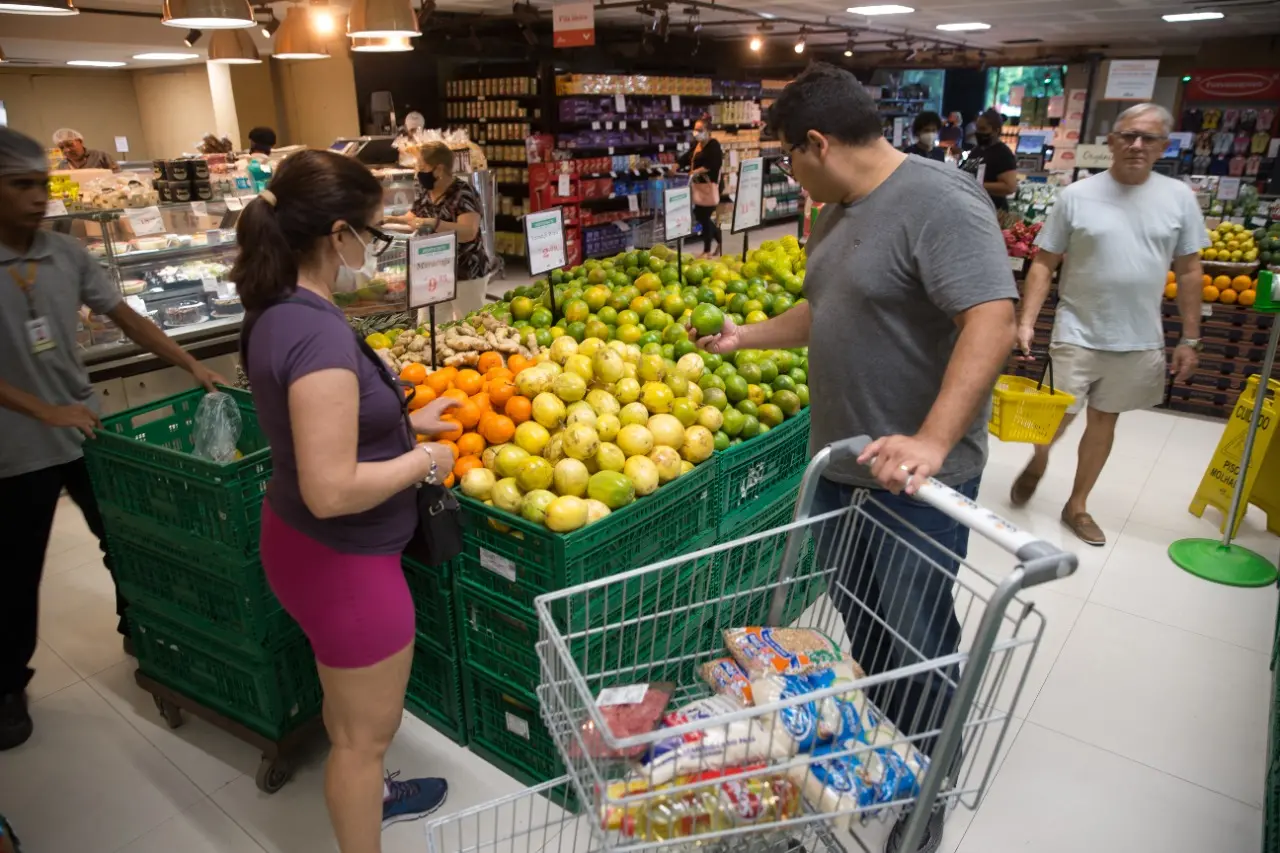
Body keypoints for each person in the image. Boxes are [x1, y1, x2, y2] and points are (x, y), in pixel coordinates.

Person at [694, 63, 1017, 853]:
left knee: (915, 636)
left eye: (787, 157)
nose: (788, 173)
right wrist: (747, 337)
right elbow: (826, 307)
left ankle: (931, 785)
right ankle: (887, 755)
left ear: (818, 143)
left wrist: (932, 440)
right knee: (866, 629)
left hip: (915, 482)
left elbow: (992, 319)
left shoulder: (942, 202)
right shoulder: (835, 212)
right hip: (840, 465)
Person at [234, 149, 458, 851]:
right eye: (373, 233)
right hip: (348, 563)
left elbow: (318, 426)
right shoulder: (317, 333)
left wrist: (402, 422)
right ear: (338, 234)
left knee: (344, 713)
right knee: (363, 742)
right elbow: (330, 489)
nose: (374, 248)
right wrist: (423, 460)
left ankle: (378, 794)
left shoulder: (277, 309)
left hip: (300, 545)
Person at [0, 127, 225, 751]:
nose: (36, 198)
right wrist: (43, 411)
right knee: (14, 573)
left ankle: (141, 626)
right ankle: (7, 685)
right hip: (14, 451)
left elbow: (125, 317)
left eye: (40, 184)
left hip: (87, 429)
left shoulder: (65, 254)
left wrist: (190, 363)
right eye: (20, 186)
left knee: (125, 539)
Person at [1012, 103, 1207, 546]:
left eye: (1148, 138)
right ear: (1111, 142)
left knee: (1104, 421)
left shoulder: (1179, 198)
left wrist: (1191, 337)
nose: (1137, 145)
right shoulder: (1077, 196)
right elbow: (1044, 263)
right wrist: (1027, 321)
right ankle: (1039, 460)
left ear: (1163, 147)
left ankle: (1077, 505)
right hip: (1076, 329)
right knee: (1055, 418)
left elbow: (1190, 270)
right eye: (1128, 135)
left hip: (1138, 336)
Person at [390, 141, 492, 323]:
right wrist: (386, 220)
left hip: (465, 271)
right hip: (433, 270)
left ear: (438, 169)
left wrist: (435, 223)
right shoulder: (426, 193)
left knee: (470, 324)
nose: (418, 172)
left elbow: (468, 232)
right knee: (429, 325)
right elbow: (412, 219)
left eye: (422, 167)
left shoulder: (463, 193)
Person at [678, 117, 723, 258]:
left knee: (704, 216)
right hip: (699, 187)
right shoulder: (697, 145)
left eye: (700, 130)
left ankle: (707, 250)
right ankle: (721, 240)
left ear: (708, 131)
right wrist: (676, 164)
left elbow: (714, 164)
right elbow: (687, 157)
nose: (696, 132)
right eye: (695, 129)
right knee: (700, 215)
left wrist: (697, 171)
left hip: (711, 186)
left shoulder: (713, 145)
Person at [959, 109, 1018, 211]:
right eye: (977, 128)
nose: (978, 132)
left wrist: (976, 185)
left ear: (996, 131)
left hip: (991, 210)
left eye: (983, 129)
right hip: (973, 207)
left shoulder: (1003, 153)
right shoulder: (976, 150)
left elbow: (1010, 187)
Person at [51, 128, 118, 172]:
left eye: (70, 145)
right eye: (61, 147)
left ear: (80, 142)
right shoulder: (62, 165)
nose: (67, 150)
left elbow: (117, 176)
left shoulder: (101, 157)